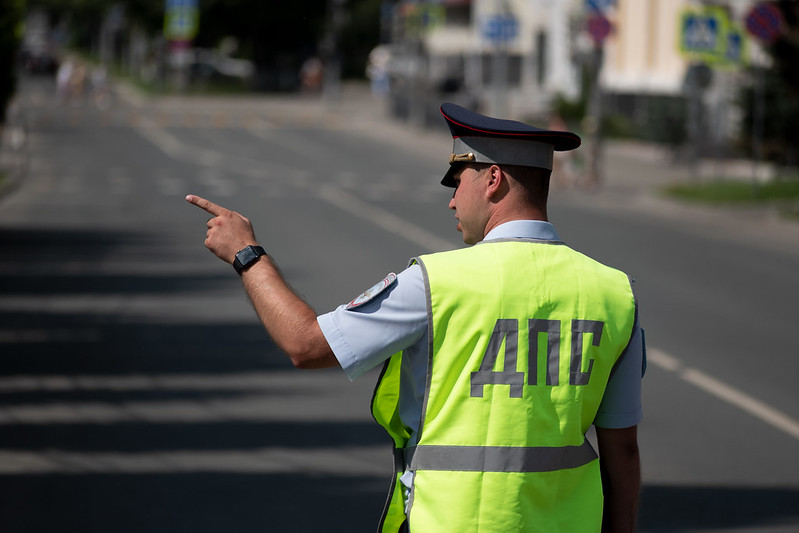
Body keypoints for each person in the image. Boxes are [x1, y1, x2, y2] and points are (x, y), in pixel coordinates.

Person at [186, 103, 645, 532]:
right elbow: (621, 448)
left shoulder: (436, 281)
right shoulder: (614, 293)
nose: (451, 201)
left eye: (458, 181)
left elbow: (306, 344)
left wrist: (247, 254)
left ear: (493, 180)